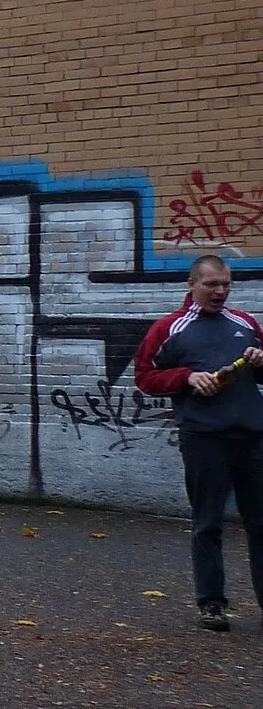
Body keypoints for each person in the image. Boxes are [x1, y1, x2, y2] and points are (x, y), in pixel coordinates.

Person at [134, 254, 263, 631]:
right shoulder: (169, 329)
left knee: (261, 524)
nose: (220, 291)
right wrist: (187, 378)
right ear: (192, 284)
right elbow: (144, 377)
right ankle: (212, 604)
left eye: (226, 284)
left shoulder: (246, 323)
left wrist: (260, 361)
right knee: (208, 523)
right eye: (212, 285)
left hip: (253, 435)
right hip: (204, 438)